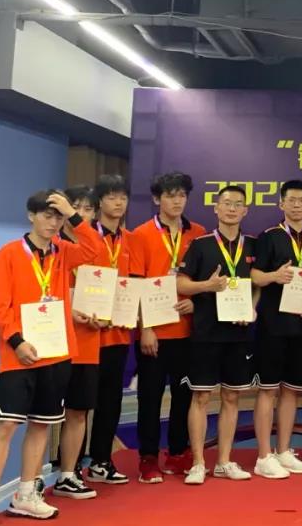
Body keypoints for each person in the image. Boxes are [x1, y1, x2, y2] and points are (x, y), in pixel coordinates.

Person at [0, 191, 96, 526]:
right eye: (47, 215)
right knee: (6, 425)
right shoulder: (10, 253)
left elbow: (94, 249)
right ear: (31, 216)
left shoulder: (64, 251)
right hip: (20, 356)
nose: (53, 223)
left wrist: (74, 215)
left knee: (41, 425)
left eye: (58, 217)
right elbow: (1, 305)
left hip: (56, 353)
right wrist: (17, 341)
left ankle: (26, 494)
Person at [128, 172, 207, 483]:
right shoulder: (141, 234)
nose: (177, 201)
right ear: (156, 199)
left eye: (182, 195)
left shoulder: (198, 233)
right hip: (155, 332)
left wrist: (196, 304)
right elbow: (136, 284)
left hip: (188, 331)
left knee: (184, 396)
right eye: (170, 195)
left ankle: (177, 452)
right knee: (149, 397)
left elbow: (205, 281)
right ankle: (148, 458)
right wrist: (145, 328)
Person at [177, 185, 259, 485]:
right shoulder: (200, 245)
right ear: (216, 208)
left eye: (238, 204)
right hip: (206, 332)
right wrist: (206, 286)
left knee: (232, 396)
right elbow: (181, 284)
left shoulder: (253, 245)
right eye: (226, 203)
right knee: (200, 396)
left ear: (245, 210)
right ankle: (198, 463)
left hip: (238, 334)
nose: (232, 209)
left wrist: (252, 308)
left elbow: (259, 283)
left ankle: (224, 461)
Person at [250, 179, 302, 480]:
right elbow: (254, 275)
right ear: (281, 203)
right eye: (291, 200)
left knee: (292, 390)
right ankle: (263, 455)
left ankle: (283, 450)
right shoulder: (269, 237)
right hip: (273, 323)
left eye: (301, 200)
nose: (296, 205)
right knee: (268, 389)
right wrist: (274, 276)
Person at [82, 175, 138, 486]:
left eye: (123, 197)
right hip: (87, 335)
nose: (118, 203)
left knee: (110, 400)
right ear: (100, 201)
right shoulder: (86, 237)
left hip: (118, 333)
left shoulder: (131, 239)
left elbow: (136, 283)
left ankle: (102, 461)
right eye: (112, 197)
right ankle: (71, 467)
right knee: (79, 404)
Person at [51, 186, 102, 500]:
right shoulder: (50, 247)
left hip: (86, 344)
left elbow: (93, 247)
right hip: (52, 345)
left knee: (79, 411)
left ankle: (68, 474)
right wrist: (69, 311)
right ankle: (33, 477)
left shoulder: (90, 247)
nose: (80, 214)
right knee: (42, 415)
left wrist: (102, 316)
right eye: (74, 208)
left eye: (86, 209)